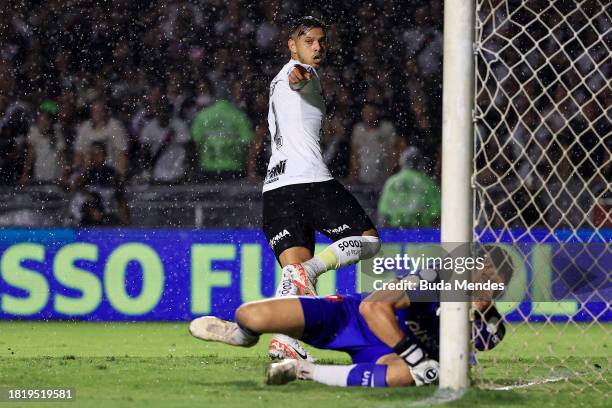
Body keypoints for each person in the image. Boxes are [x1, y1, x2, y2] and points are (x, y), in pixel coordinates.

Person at [189, 247, 513, 387]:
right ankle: (241, 336)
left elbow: (457, 363)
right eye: (483, 278)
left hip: (384, 353)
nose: (487, 289)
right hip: (349, 318)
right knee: (251, 315)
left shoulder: (491, 329)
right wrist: (415, 355)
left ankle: (303, 371)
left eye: (495, 287)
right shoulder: (431, 278)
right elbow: (372, 308)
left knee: (406, 377)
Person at [261, 16, 381, 361]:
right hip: (308, 181)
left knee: (294, 279)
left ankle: (285, 342)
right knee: (368, 240)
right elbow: (299, 78)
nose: (317, 48)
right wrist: (301, 74)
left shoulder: (274, 81)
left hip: (275, 190)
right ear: (291, 45)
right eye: (309, 41)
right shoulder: (301, 73)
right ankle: (310, 269)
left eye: (321, 42)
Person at [377, 147, 441, 228]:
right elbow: (436, 214)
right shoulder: (428, 183)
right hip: (423, 234)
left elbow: (384, 213)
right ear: (420, 162)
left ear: (402, 162)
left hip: (396, 234)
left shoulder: (392, 182)